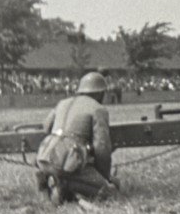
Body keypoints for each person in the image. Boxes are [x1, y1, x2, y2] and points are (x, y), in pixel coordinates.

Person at [35, 71, 119, 205]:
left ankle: (53, 180)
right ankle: (64, 187)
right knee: (110, 192)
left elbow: (46, 127)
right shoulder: (98, 109)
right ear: (100, 93)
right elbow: (101, 148)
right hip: (69, 161)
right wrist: (104, 177)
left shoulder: (62, 103)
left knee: (72, 170)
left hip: (44, 158)